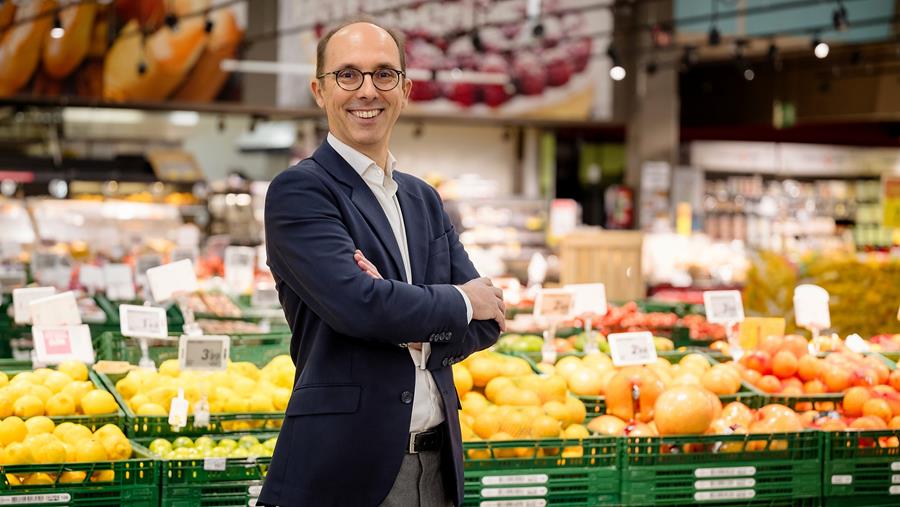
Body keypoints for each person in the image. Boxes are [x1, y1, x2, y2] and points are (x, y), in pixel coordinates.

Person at [257, 17, 504, 507]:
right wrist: (455, 302)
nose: (366, 90)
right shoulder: (301, 190)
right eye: (347, 75)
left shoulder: (424, 198)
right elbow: (358, 305)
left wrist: (404, 313)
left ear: (406, 90)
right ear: (319, 90)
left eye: (384, 74)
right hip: (344, 468)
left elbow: (489, 319)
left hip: (438, 468)